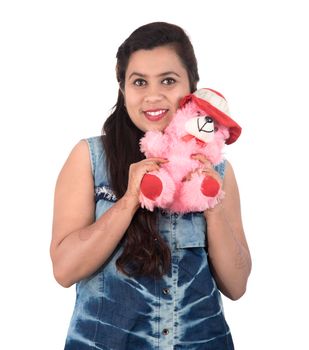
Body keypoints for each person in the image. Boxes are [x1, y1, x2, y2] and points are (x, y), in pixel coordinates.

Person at [50, 21, 251, 350]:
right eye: (139, 82)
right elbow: (64, 269)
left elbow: (237, 284)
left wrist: (212, 208)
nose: (153, 96)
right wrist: (129, 200)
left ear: (191, 87)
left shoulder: (216, 170)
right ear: (122, 88)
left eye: (168, 81)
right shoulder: (89, 158)